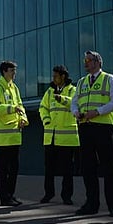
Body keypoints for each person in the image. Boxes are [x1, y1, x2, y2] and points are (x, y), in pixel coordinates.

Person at [71, 50, 113, 217]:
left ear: (98, 62)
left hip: (103, 127)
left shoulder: (109, 79)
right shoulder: (81, 82)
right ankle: (91, 203)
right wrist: (75, 112)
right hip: (85, 127)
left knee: (108, 167)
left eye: (89, 60)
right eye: (84, 60)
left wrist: (98, 112)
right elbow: (74, 102)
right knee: (88, 167)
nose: (85, 63)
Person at [38, 64, 78, 205]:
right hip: (50, 137)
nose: (53, 78)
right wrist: (46, 120)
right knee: (49, 169)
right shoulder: (49, 91)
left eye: (56, 76)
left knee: (67, 170)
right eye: (53, 76)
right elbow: (43, 107)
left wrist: (62, 99)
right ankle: (48, 194)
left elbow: (75, 104)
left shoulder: (73, 90)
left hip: (67, 138)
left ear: (63, 76)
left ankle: (66, 196)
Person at [0, 60, 27, 207]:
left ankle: (10, 195)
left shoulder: (14, 88)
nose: (14, 73)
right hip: (3, 137)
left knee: (14, 169)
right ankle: (4, 197)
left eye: (14, 70)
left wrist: (24, 119)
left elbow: (21, 106)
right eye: (12, 70)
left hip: (15, 135)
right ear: (4, 71)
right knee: (3, 169)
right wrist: (12, 108)